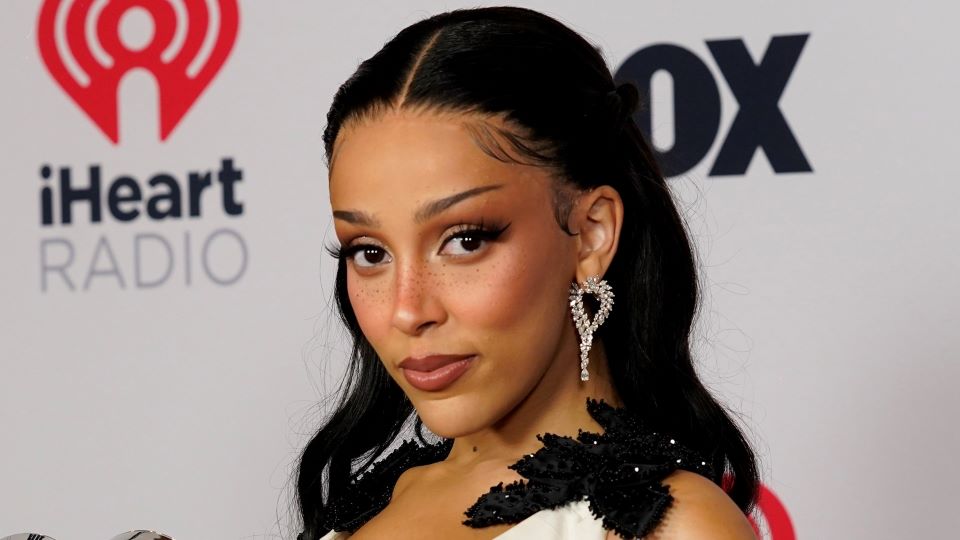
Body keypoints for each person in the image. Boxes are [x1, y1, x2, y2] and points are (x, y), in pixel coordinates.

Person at [296, 6, 760, 539]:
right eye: (370, 252)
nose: (407, 311)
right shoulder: (365, 503)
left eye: (465, 240)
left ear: (591, 233)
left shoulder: (674, 526)